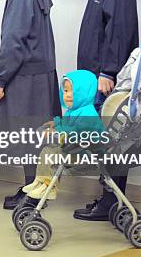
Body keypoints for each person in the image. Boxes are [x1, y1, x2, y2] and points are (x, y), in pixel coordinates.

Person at [74, 0, 140, 221]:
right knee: (104, 136)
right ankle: (108, 198)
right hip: (97, 70)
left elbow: (120, 26)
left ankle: (113, 202)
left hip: (106, 73)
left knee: (113, 137)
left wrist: (107, 71)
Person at [0, 0, 61, 210]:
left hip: (24, 78)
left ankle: (34, 195)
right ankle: (32, 189)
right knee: (36, 136)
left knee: (28, 137)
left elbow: (12, 45)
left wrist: (0, 80)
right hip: (40, 76)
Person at [21, 71, 106, 206]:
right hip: (76, 150)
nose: (68, 95)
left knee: (51, 154)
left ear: (85, 92)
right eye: (65, 90)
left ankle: (49, 187)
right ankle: (41, 182)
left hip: (86, 154)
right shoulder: (75, 110)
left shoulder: (88, 114)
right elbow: (68, 125)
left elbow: (75, 132)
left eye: (73, 91)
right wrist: (56, 123)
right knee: (46, 150)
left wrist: (56, 132)